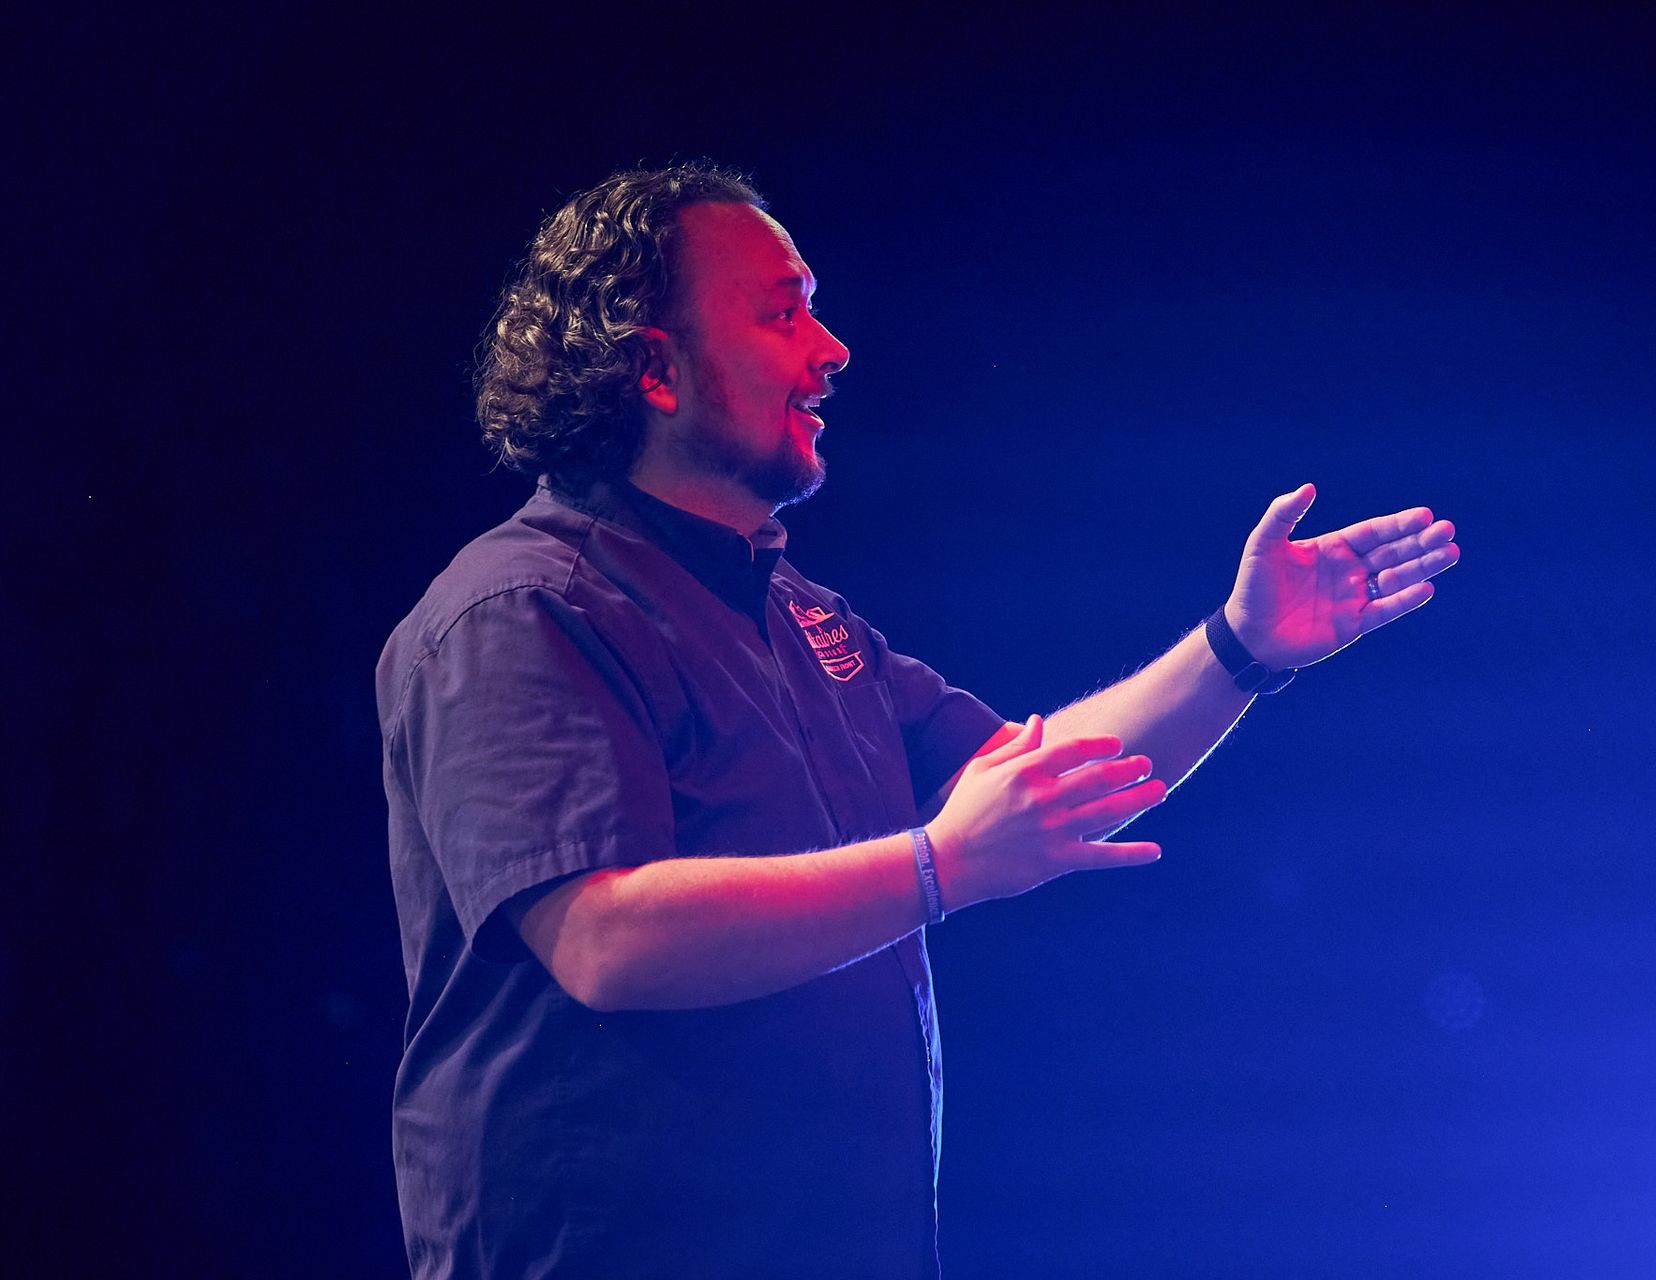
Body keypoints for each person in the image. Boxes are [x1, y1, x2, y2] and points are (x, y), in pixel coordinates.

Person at [376, 162, 1460, 1279]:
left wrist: (1239, 647)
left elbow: (1040, 779)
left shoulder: (797, 612)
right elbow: (603, 937)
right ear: (653, 365)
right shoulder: (520, 609)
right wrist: (939, 866)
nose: (832, 348)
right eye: (784, 310)